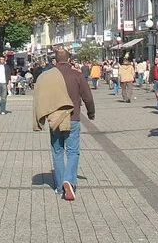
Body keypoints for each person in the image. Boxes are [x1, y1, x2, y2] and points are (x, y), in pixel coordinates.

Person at [35, 47, 93, 201]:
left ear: (55, 60)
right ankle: (69, 180)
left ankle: (60, 186)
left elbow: (40, 95)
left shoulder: (47, 76)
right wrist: (91, 113)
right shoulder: (77, 75)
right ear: (69, 59)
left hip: (54, 119)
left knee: (57, 151)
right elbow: (87, 96)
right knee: (73, 151)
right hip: (73, 118)